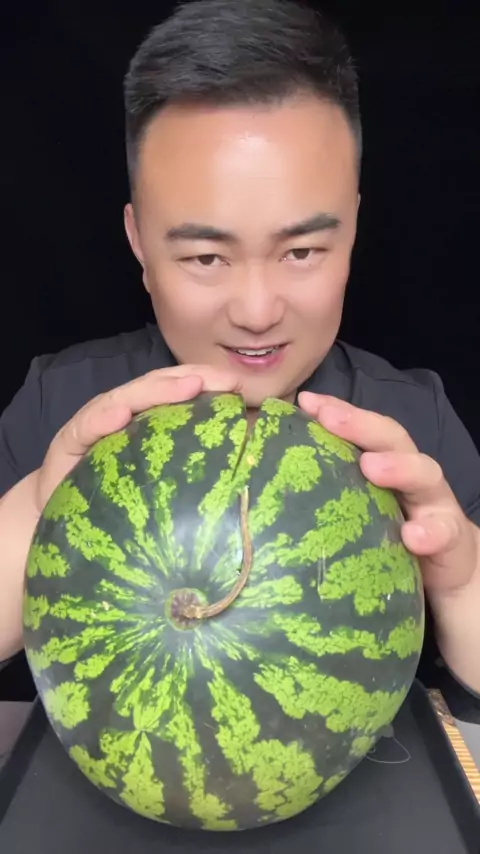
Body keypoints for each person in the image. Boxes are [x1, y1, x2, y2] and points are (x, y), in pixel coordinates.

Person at [1, 0, 479, 705]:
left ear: (352, 229)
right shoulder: (57, 404)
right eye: (205, 257)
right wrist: (39, 506)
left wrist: (463, 581)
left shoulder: (416, 425)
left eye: (302, 250)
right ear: (138, 244)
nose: (257, 313)